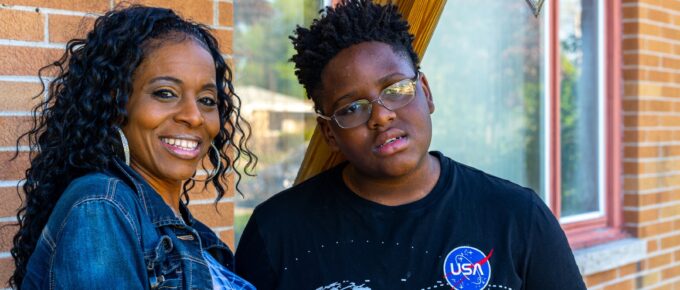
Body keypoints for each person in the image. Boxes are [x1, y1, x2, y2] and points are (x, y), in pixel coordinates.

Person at [235, 0, 586, 289]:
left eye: (396, 90)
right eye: (352, 108)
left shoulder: (517, 217)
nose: (381, 116)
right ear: (329, 133)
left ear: (427, 93)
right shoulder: (277, 233)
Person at [9, 5, 257, 289]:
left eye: (207, 100)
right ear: (117, 105)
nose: (194, 115)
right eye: (166, 93)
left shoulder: (182, 230)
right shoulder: (100, 207)